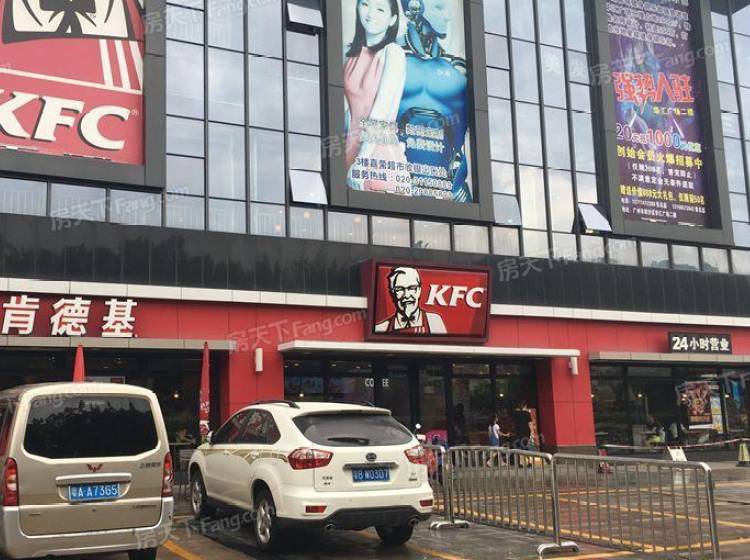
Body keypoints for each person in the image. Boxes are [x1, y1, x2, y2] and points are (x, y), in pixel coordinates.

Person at [397, 0, 472, 202]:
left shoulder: (458, 68)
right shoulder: (388, 56)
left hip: (452, 191)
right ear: (416, 5)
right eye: (439, 7)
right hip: (396, 187)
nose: (447, 16)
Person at [344, 0, 408, 192]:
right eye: (365, 4)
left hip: (378, 157)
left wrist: (362, 162)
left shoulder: (393, 52)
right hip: (348, 151)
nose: (371, 13)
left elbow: (382, 111)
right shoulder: (348, 54)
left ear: (393, 19)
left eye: (380, 9)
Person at [374, 266, 447, 334]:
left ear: (419, 290)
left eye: (412, 288)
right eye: (400, 289)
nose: (407, 295)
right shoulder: (381, 328)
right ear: (392, 293)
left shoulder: (434, 321)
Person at [512, 401, 533, 465]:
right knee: (526, 446)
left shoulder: (515, 414)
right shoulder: (527, 413)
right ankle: (529, 461)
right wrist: (532, 432)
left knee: (519, 447)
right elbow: (530, 424)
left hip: (518, 432)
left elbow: (513, 423)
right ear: (525, 406)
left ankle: (521, 462)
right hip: (526, 432)